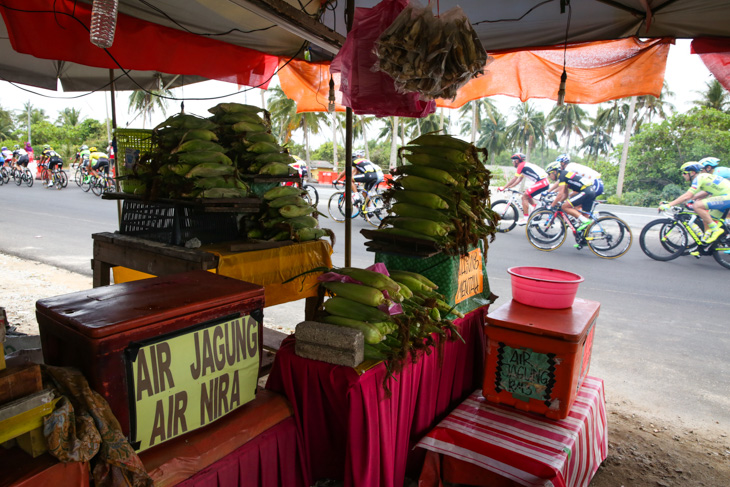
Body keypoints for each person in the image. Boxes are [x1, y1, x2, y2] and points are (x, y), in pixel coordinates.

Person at [659, 161, 730, 244]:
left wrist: (669, 205)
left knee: (698, 206)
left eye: (684, 173)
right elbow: (691, 196)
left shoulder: (699, 178)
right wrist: (670, 202)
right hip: (725, 197)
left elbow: (687, 196)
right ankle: (708, 243)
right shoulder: (703, 178)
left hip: (727, 197)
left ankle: (716, 230)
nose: (683, 175)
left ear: (692, 173)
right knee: (706, 218)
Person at [545, 160, 598, 233]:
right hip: (589, 191)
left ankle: (585, 221)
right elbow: (565, 194)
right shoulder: (564, 175)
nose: (549, 176)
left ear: (554, 171)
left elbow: (560, 193)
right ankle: (584, 240)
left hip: (586, 191)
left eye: (549, 174)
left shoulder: (562, 176)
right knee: (584, 219)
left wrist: (552, 205)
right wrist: (558, 202)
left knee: (565, 207)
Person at [498, 152, 550, 225]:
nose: (512, 163)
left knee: (524, 197)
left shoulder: (521, 166)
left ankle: (525, 218)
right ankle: (534, 208)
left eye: (513, 161)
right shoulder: (524, 166)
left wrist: (504, 187)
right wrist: (510, 187)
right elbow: (519, 180)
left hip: (542, 182)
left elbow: (514, 179)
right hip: (544, 182)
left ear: (517, 161)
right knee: (527, 194)